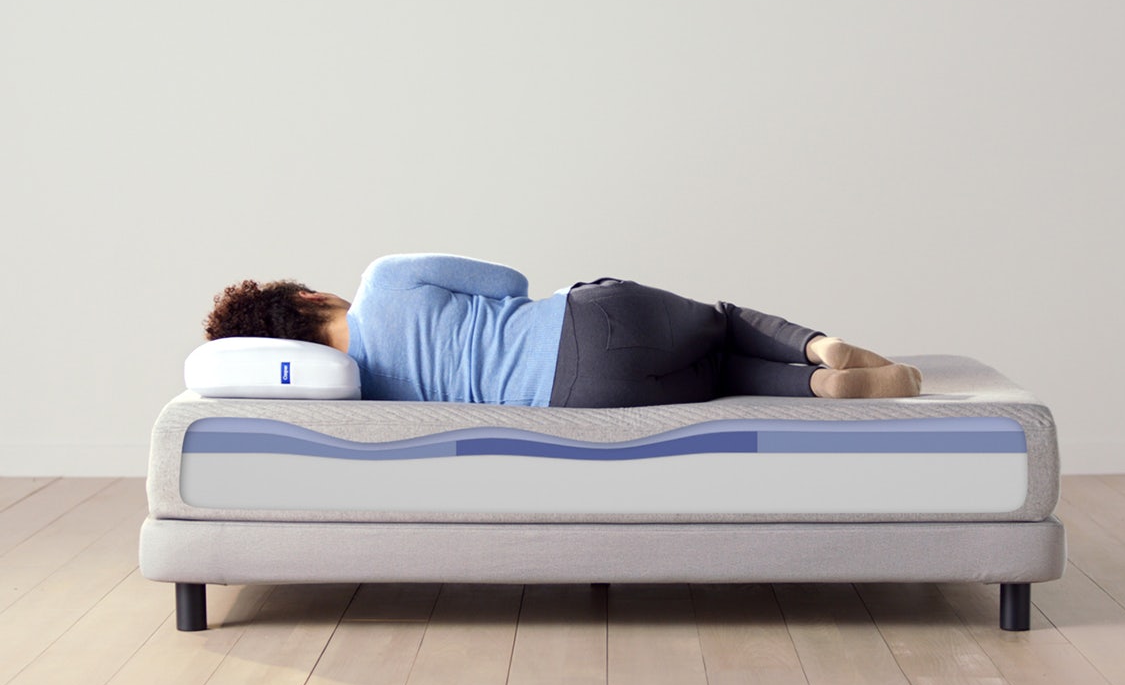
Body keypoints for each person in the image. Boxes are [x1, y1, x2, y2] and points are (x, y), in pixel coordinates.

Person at [203, 253, 922, 406]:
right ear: (304, 294)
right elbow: (511, 282)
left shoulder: (357, 397)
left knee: (720, 379)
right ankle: (815, 347)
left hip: (580, 397)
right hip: (594, 319)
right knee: (722, 324)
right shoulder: (384, 280)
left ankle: (821, 386)